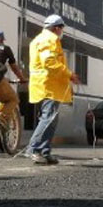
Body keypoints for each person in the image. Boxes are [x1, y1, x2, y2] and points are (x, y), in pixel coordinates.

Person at [24, 14, 79, 164]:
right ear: (56, 28)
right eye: (61, 28)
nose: (62, 32)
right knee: (48, 118)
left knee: (51, 119)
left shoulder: (37, 40)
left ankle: (45, 152)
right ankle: (33, 148)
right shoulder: (49, 39)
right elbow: (49, 61)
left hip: (44, 84)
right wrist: (70, 74)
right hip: (48, 85)